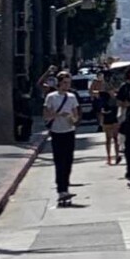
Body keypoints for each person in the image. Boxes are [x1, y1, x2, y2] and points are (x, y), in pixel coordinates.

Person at [43, 71, 79, 201]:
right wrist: (58, 115)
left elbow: (76, 115)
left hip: (69, 130)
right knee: (59, 161)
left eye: (68, 83)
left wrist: (72, 119)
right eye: (64, 83)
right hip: (57, 131)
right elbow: (46, 115)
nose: (66, 85)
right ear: (59, 83)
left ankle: (66, 187)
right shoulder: (51, 97)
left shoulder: (72, 97)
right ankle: (61, 189)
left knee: (68, 160)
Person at [99, 90, 120, 165]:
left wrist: (101, 122)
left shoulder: (103, 101)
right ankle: (116, 155)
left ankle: (110, 157)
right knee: (115, 139)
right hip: (113, 120)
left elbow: (102, 112)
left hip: (108, 121)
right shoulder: (114, 101)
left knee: (109, 139)